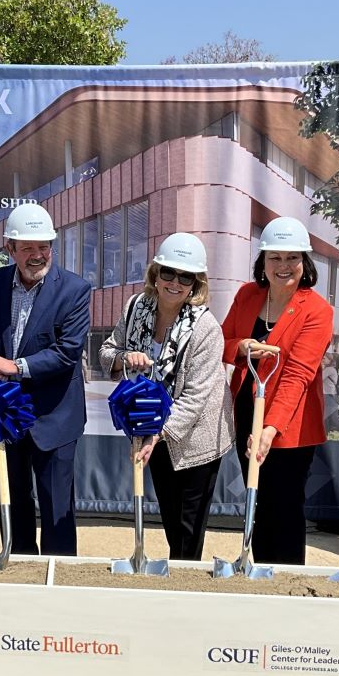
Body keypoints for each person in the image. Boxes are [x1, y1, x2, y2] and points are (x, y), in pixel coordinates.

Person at [99, 233, 233, 560]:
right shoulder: (135, 308)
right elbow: (107, 351)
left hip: (195, 438)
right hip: (151, 429)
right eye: (168, 272)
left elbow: (195, 398)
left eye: (185, 276)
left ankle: (186, 587)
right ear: (155, 274)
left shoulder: (205, 328)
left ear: (195, 283)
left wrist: (158, 434)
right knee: (170, 517)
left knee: (187, 527)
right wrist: (123, 357)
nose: (175, 282)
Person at [0, 202, 90, 556]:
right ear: (10, 249)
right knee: (13, 501)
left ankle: (59, 585)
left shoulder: (75, 290)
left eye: (44, 246)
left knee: (57, 515)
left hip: (55, 420)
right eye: (28, 248)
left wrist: (14, 366)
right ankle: (18, 573)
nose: (38, 255)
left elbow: (67, 352)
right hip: (7, 417)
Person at [221, 216, 333, 565]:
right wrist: (242, 347)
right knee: (258, 499)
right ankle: (261, 577)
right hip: (246, 412)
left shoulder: (317, 310)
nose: (283, 266)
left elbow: (298, 374)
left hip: (289, 428)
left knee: (283, 508)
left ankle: (286, 584)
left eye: (292, 258)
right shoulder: (247, 295)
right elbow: (221, 342)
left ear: (305, 262)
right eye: (275, 258)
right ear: (263, 261)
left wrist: (269, 429)